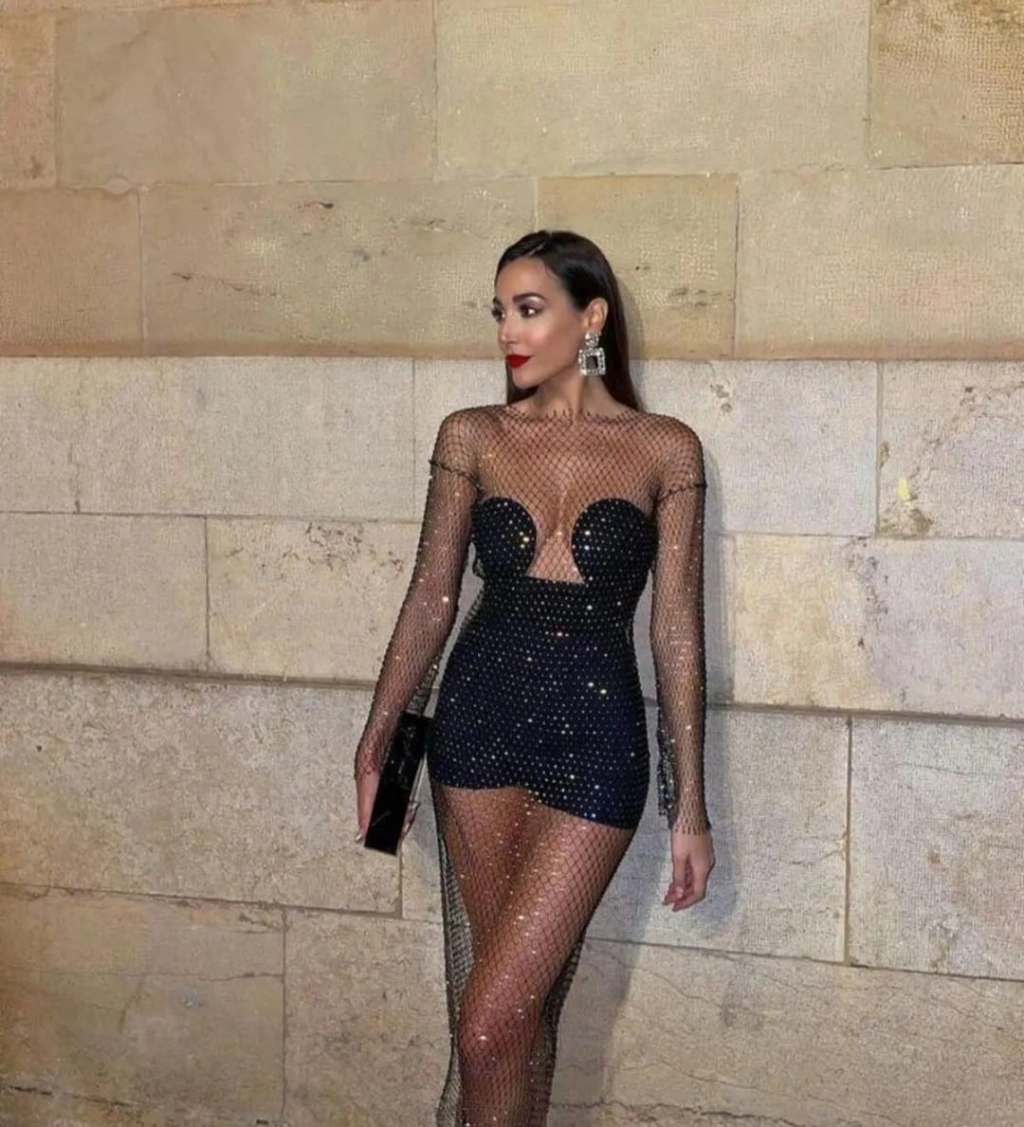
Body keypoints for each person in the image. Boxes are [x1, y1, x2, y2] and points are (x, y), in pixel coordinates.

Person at [354, 229, 715, 1126]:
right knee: (505, 1026)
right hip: (477, 728)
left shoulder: (666, 449)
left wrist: (691, 805)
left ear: (590, 317)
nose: (508, 333)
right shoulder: (473, 435)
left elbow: (675, 628)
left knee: (492, 1020)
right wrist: (378, 749)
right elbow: (431, 599)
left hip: (597, 746)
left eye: (528, 309)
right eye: (500, 313)